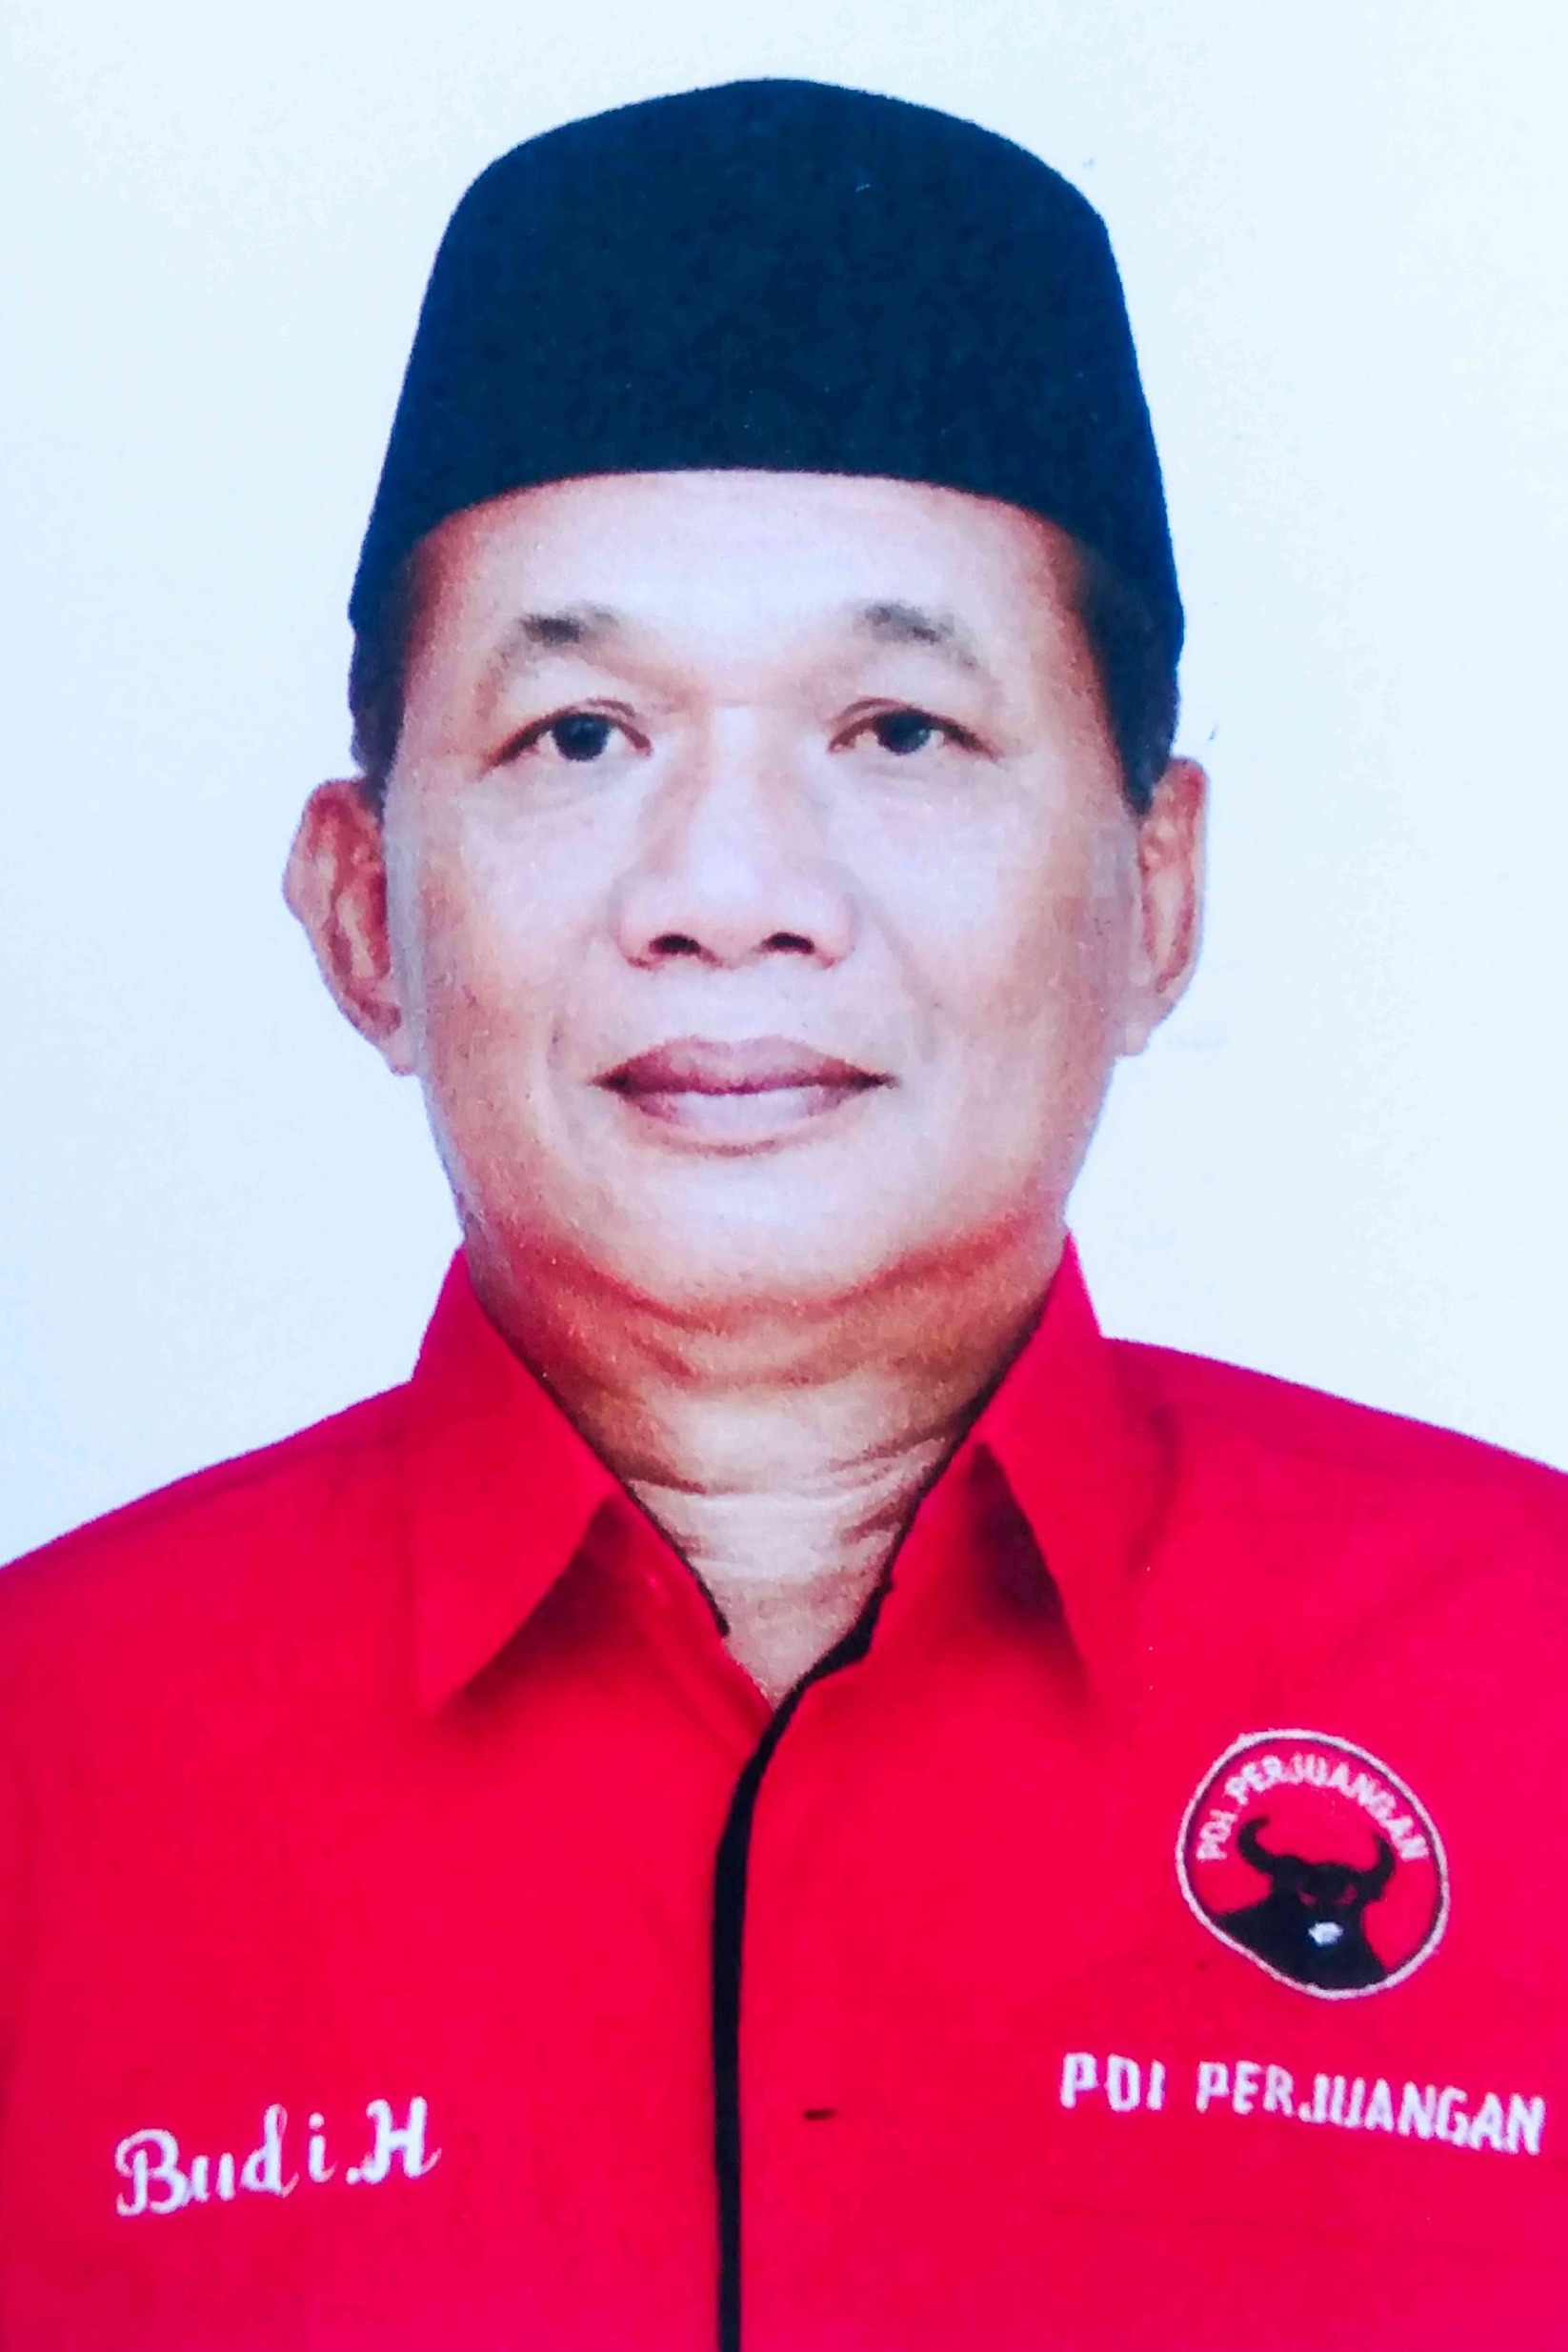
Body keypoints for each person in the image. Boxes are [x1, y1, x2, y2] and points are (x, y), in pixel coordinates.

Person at [0, 76, 1562, 2352]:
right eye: (578, 736)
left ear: (1156, 891)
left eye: (898, 731)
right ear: (358, 910)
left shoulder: (1533, 1686)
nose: (729, 893)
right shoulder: (42, 1767)